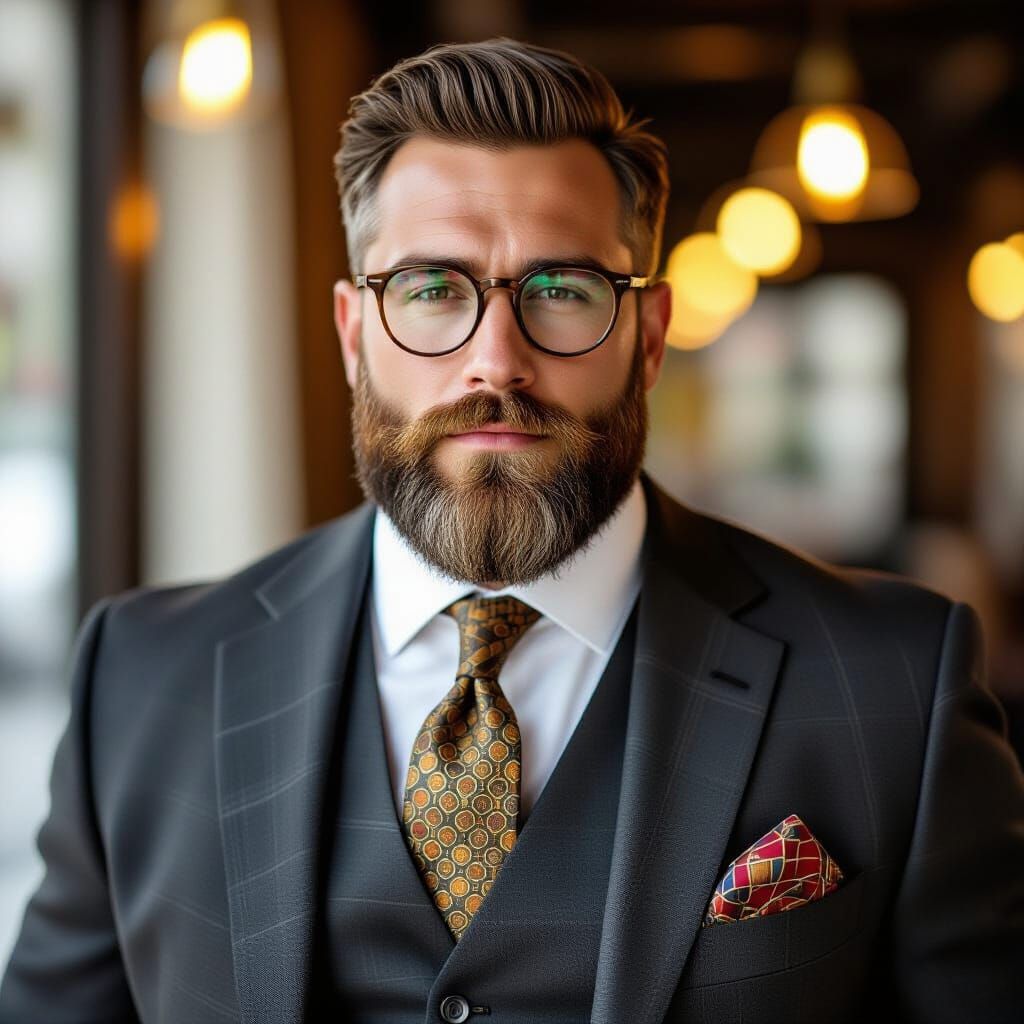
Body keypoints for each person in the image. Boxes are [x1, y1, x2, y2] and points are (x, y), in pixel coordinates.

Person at [2, 37, 1022, 1024]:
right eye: (432, 291)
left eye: (561, 291)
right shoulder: (140, 679)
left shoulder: (895, 684)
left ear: (649, 335)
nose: (495, 360)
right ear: (354, 333)